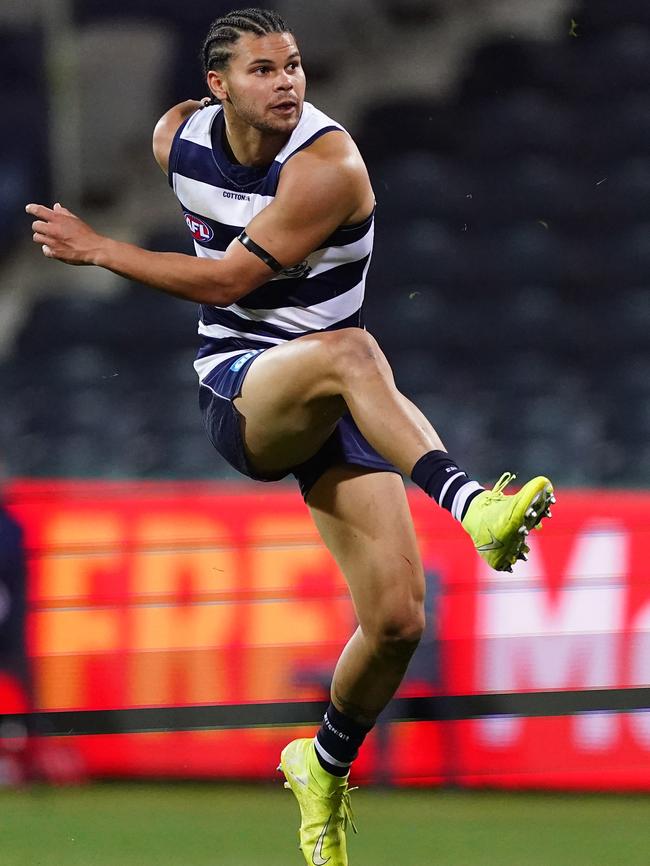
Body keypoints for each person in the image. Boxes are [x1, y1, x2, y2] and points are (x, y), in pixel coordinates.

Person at [26, 8, 555, 864]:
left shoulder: (329, 165)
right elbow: (228, 288)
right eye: (265, 70)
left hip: (331, 395)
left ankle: (322, 766)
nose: (288, 84)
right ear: (218, 85)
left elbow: (231, 273)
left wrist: (99, 250)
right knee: (349, 350)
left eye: (295, 66)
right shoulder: (174, 139)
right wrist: (105, 250)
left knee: (396, 622)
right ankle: (472, 505)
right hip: (246, 392)